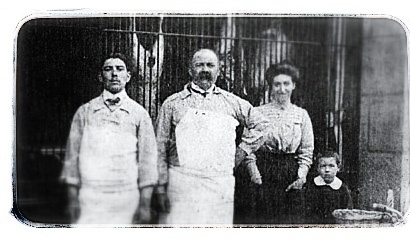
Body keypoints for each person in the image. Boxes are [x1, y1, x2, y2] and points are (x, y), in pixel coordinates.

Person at [154, 49, 269, 225]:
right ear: (190, 70)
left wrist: (241, 152)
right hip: (182, 182)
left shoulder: (231, 102)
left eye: (210, 65)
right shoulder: (173, 104)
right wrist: (161, 187)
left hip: (219, 183)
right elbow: (159, 147)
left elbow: (262, 125)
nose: (205, 69)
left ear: (219, 70)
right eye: (199, 65)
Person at [60, 53, 158, 224]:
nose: (114, 74)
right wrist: (73, 200)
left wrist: (144, 204)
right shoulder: (85, 112)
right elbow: (72, 159)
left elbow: (147, 162)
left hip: (127, 197)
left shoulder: (140, 114)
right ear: (100, 76)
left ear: (128, 76)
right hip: (91, 197)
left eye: (119, 69)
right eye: (108, 69)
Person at [238, 61, 314, 225]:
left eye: (286, 84)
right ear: (271, 87)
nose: (282, 89)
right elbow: (248, 147)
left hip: (291, 172)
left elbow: (307, 151)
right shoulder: (258, 112)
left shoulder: (301, 115)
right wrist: (254, 172)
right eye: (277, 84)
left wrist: (301, 177)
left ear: (293, 85)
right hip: (264, 171)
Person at [304, 151, 353, 224]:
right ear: (317, 168)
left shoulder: (342, 189)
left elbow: (348, 212)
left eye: (331, 166)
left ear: (338, 167)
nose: (327, 170)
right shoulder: (311, 186)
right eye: (323, 166)